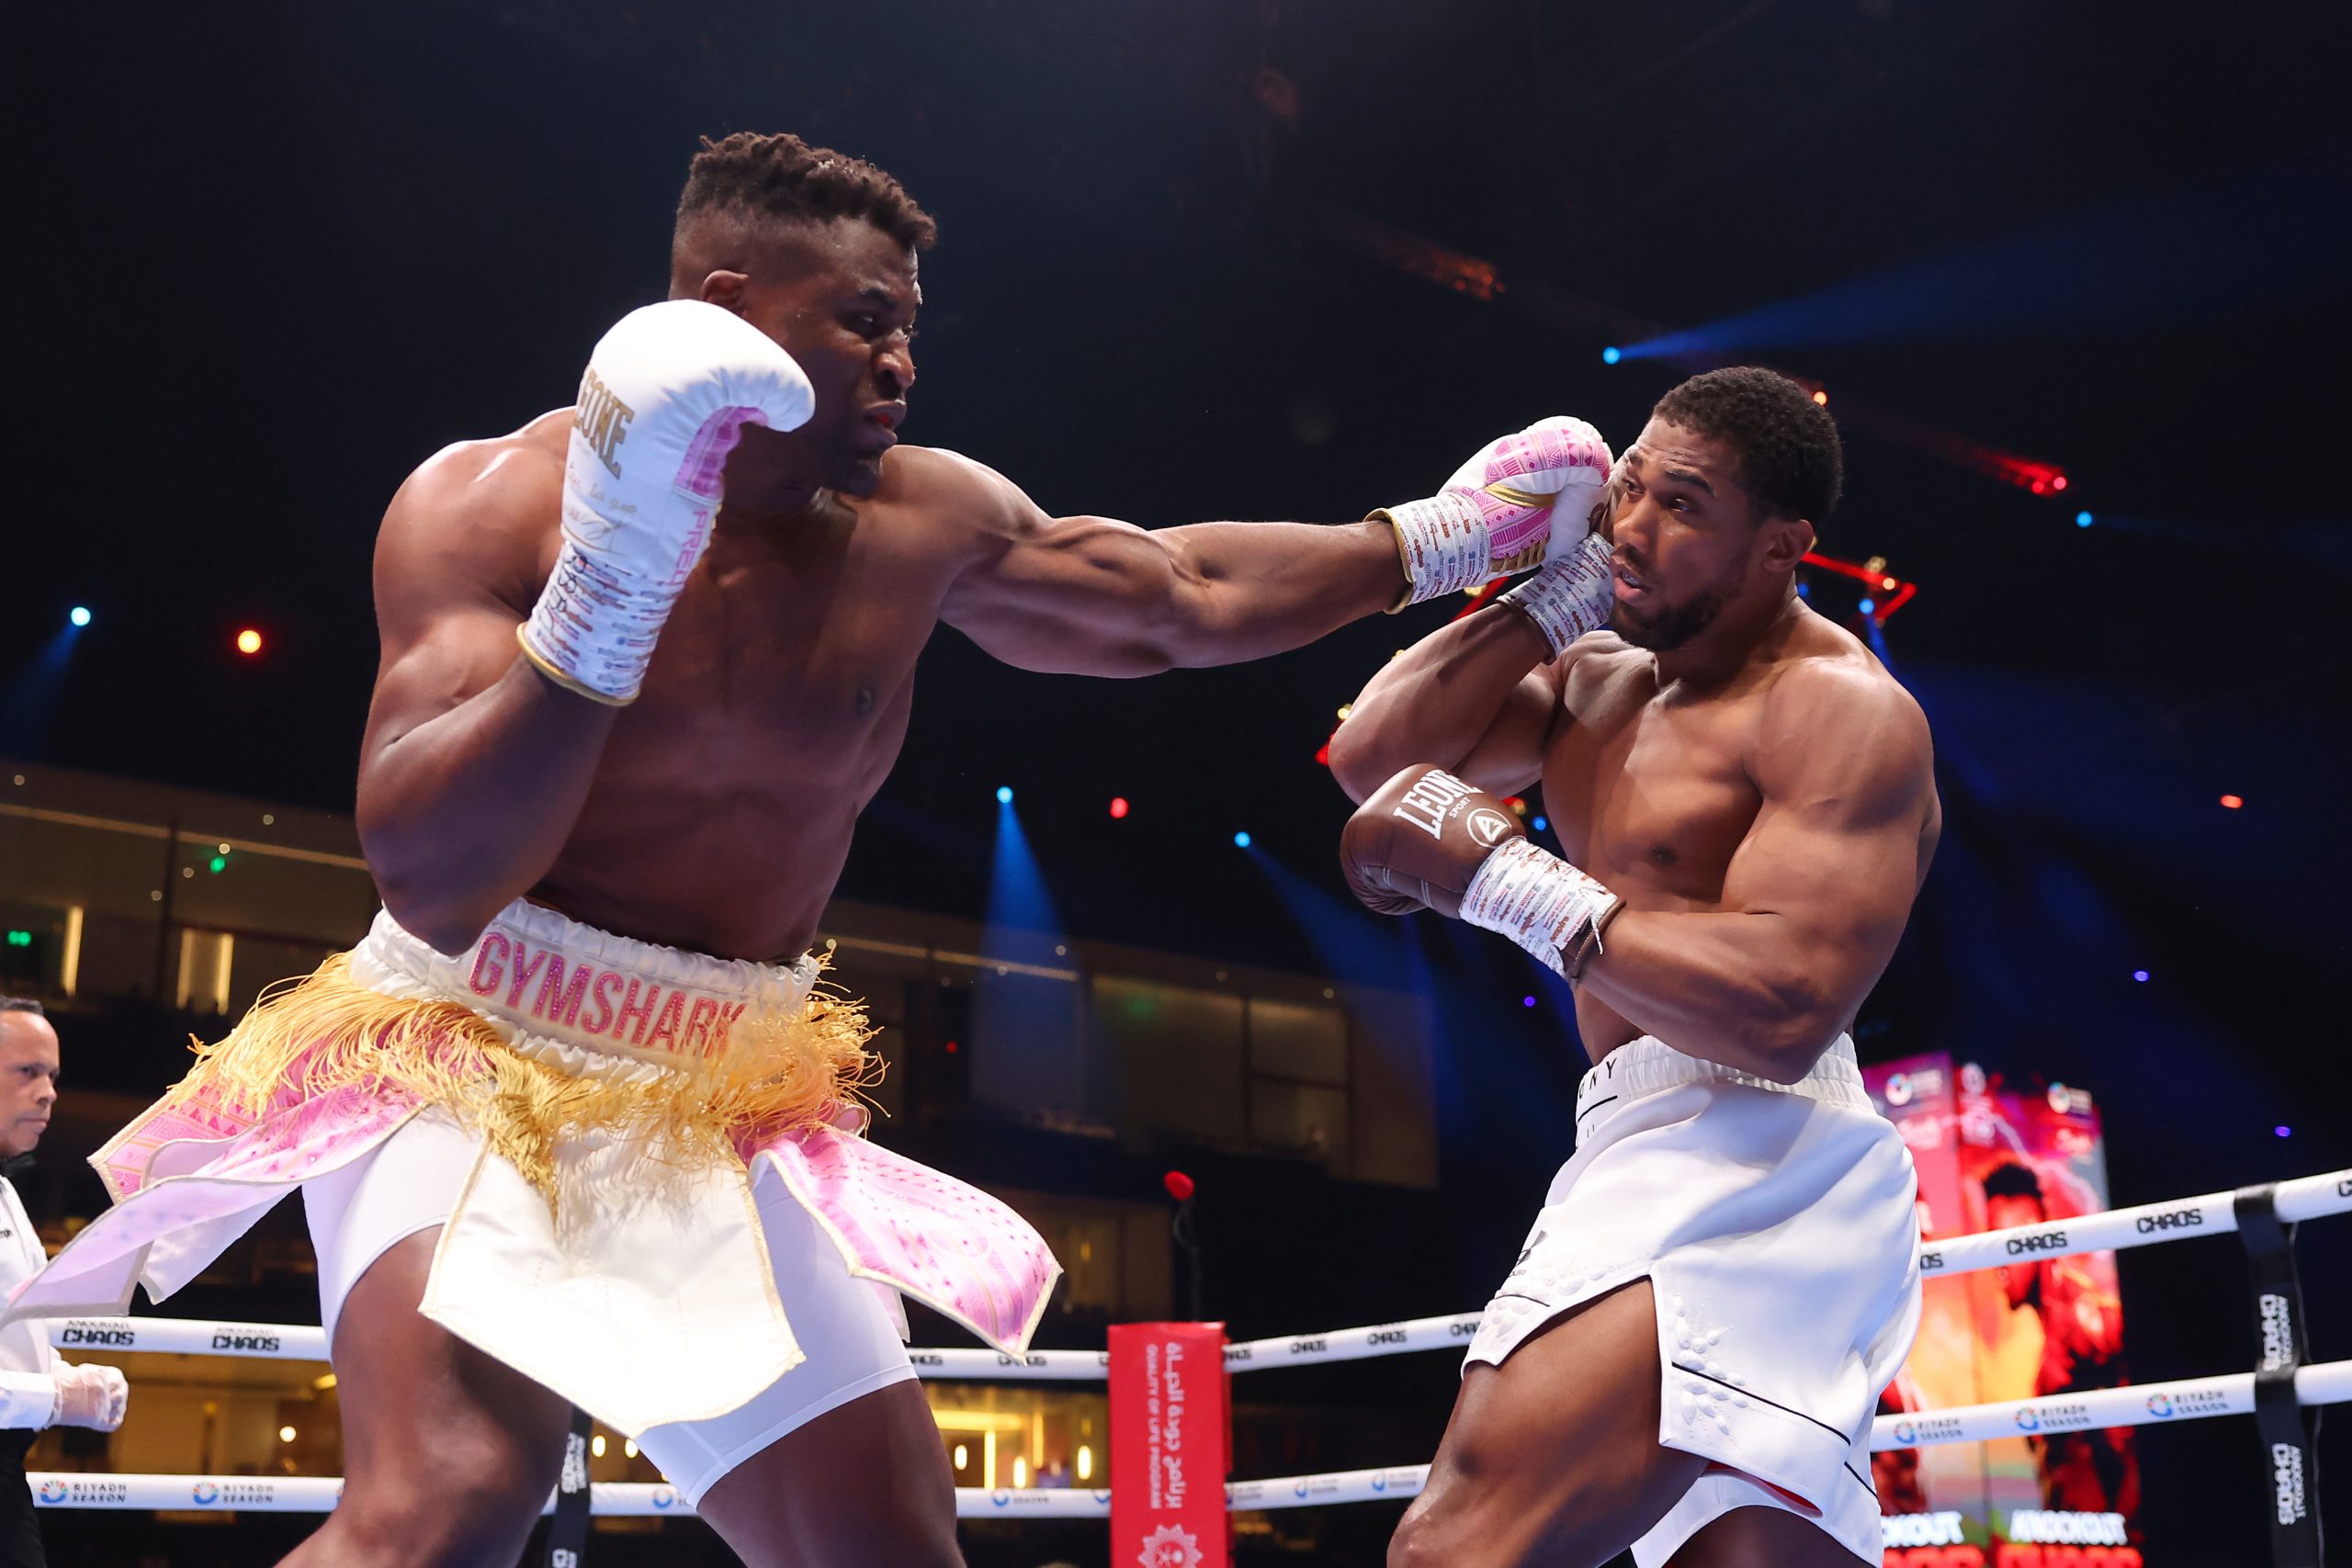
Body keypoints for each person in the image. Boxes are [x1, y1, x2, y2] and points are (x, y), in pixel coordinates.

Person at [4, 132, 1610, 1568]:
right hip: (470, 1047)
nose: (903, 362)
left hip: (727, 1088)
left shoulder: (922, 517)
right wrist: (608, 594)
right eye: (866, 320)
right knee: (452, 1501)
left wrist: (1445, 538)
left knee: (886, 1543)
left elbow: (1178, 597)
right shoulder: (494, 504)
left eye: (911, 325)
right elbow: (429, 867)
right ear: (727, 308)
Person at [1329, 365, 1940, 1567]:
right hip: (1632, 1128)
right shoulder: (1595, 681)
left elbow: (1785, 1012)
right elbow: (1376, 758)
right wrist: (1545, 599)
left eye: (1683, 504)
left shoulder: (1838, 708)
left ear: (1781, 547)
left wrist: (1514, 883)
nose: (1633, 526)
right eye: (1629, 488)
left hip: (1758, 1146)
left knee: (1456, 1545)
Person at [0, 999, 127, 1568]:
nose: (48, 1092)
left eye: (52, 1075)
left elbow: (15, 1328)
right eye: (28, 1072)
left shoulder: (7, 1193)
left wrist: (66, 1375)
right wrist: (54, 1398)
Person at [1980, 1160, 2136, 1517]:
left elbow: (2130, 1444)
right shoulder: (2055, 1327)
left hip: (2103, 1533)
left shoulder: (2084, 1317)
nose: (1995, 1267)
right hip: (2075, 1531)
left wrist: (2129, 1526)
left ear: (2028, 1228)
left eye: (1996, 1240)